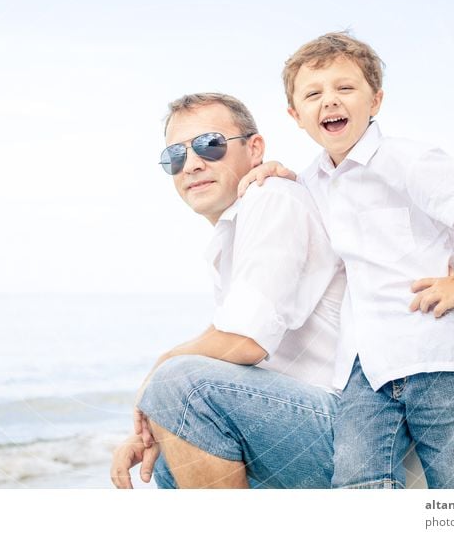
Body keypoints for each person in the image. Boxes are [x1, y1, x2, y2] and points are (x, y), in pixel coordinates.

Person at [240, 32, 454, 489]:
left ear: (375, 100)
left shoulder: (402, 158)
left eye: (345, 88)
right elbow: (301, 206)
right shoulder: (314, 180)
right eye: (313, 94)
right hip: (365, 368)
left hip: (436, 353)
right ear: (295, 115)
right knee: (357, 483)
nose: (330, 102)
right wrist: (274, 172)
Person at [109, 93, 346, 489]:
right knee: (171, 453)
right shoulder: (234, 232)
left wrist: (157, 377)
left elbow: (244, 341)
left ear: (254, 149)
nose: (193, 164)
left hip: (351, 428)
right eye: (176, 156)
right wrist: (155, 424)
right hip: (300, 423)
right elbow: (228, 342)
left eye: (210, 145)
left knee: (178, 384)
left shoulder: (271, 199)